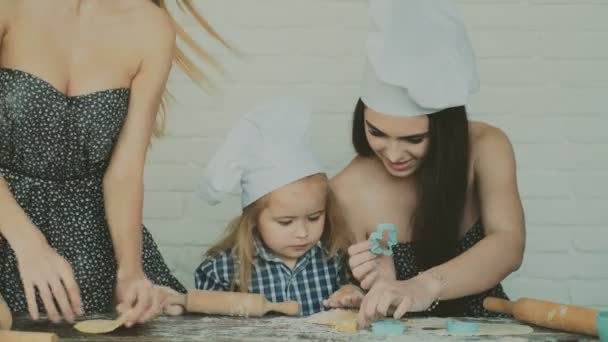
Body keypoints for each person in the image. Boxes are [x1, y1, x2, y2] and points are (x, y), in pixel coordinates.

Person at [0, 0, 227, 326]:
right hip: (8, 223)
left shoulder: (150, 25)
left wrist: (130, 272)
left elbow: (125, 171)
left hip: (94, 236)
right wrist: (29, 244)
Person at [330, 0, 525, 327]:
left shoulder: (487, 147)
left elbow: (509, 243)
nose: (392, 155)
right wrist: (369, 285)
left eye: (414, 140)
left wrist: (424, 285)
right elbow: (347, 301)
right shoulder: (346, 189)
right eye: (376, 132)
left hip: (486, 327)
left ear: (446, 131)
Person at [193, 97, 362, 316]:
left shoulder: (335, 257)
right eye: (285, 222)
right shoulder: (222, 270)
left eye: (314, 217)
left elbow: (357, 304)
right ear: (254, 219)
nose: (302, 233)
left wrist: (351, 292)